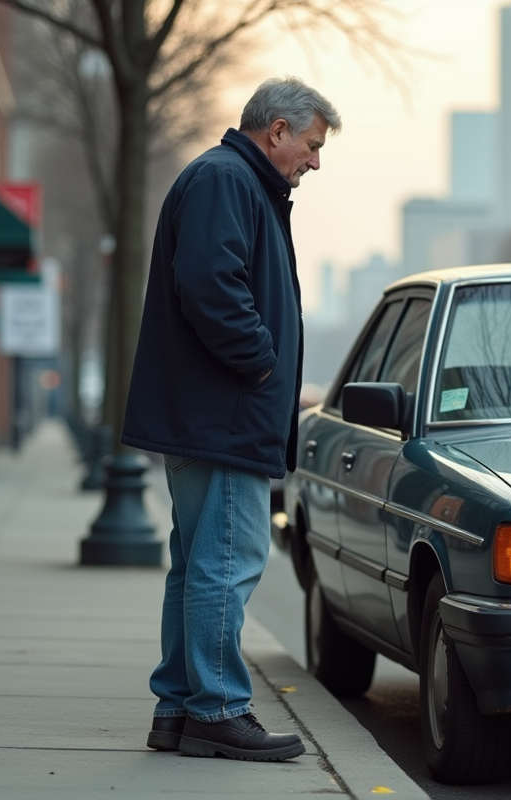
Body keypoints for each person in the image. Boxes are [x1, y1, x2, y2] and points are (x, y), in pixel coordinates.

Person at [120, 77, 339, 762]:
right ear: (276, 129)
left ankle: (180, 709)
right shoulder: (227, 181)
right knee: (228, 559)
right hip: (223, 415)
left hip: (211, 412)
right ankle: (217, 708)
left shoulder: (232, 181)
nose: (315, 161)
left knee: (196, 565)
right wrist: (262, 364)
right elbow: (210, 285)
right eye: (311, 144)